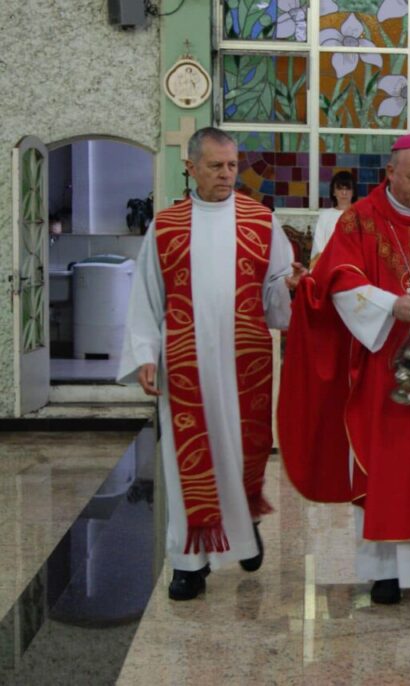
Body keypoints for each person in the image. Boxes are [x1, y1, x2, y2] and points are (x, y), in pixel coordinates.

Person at [278, 133, 410, 605]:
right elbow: (337, 277)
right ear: (391, 174)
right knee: (387, 465)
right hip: (384, 367)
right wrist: (386, 305)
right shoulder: (359, 220)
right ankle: (384, 572)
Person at [118, 127, 303, 601]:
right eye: (216, 166)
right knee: (186, 462)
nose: (227, 174)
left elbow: (275, 295)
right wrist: (144, 354)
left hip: (246, 361)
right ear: (191, 167)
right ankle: (188, 561)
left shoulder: (261, 221)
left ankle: (246, 528)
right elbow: (146, 296)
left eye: (231, 165)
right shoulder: (167, 226)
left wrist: (292, 287)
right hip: (184, 362)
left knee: (244, 451)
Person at [311, 170, 356, 265]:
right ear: (333, 192)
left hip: (355, 268)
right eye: (340, 189)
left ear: (353, 192)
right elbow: (319, 247)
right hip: (329, 267)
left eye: (348, 189)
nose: (344, 193)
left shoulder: (361, 215)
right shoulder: (325, 216)